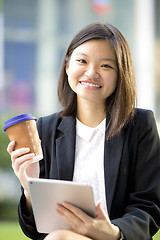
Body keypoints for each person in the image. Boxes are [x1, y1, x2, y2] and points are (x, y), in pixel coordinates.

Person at [7, 23, 160, 240]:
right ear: (67, 66)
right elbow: (34, 230)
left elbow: (149, 207)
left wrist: (113, 233)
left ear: (120, 74)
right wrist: (29, 188)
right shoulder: (44, 129)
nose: (91, 73)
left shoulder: (140, 125)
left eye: (106, 66)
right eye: (82, 61)